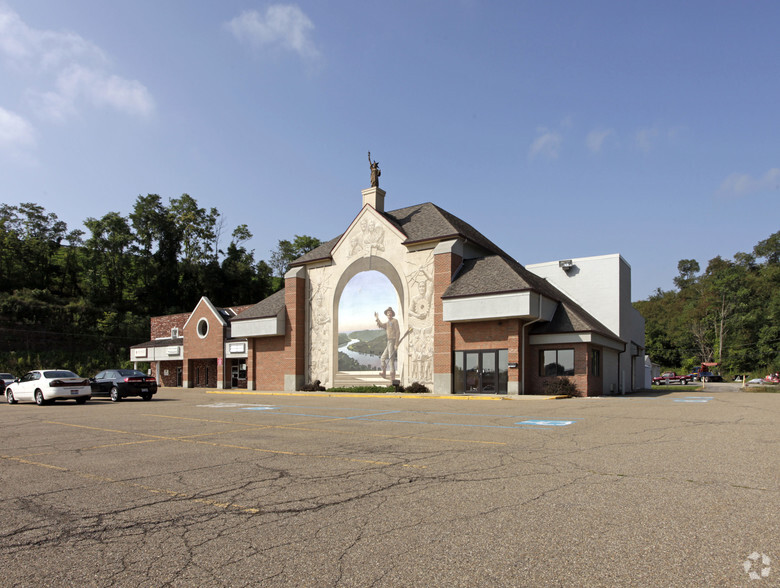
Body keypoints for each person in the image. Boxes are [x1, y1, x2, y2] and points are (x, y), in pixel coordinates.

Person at [374, 307, 399, 380]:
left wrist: (396, 344)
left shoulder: (395, 321)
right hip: (389, 342)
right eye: (387, 313)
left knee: (391, 360)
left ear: (392, 314)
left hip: (393, 341)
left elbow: (398, 332)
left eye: (390, 312)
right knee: (382, 358)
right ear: (387, 314)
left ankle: (393, 379)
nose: (389, 314)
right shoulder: (387, 323)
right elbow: (381, 325)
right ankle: (384, 373)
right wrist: (377, 318)